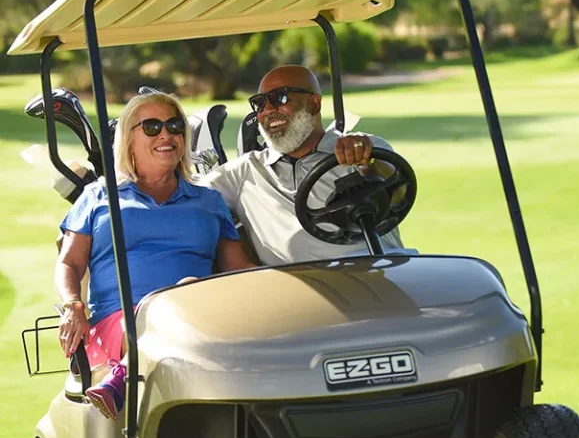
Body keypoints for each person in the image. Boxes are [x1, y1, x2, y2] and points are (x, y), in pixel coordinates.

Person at [56, 90, 254, 419]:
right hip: (117, 326)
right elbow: (70, 262)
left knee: (187, 291)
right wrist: (73, 304)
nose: (166, 134)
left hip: (197, 320)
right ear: (128, 140)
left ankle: (125, 377)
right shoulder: (98, 196)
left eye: (175, 126)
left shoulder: (208, 200)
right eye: (151, 127)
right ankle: (123, 371)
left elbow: (241, 270)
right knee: (172, 303)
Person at [200, 65, 406, 265]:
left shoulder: (365, 149)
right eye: (260, 103)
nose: (269, 110)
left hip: (382, 272)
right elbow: (187, 198)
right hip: (301, 291)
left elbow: (398, 193)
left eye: (280, 98)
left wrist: (366, 159)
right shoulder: (242, 172)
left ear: (314, 104)